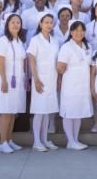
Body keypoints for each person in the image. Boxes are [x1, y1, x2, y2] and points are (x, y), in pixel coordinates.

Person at [56, 20, 93, 150]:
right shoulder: (66, 47)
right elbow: (60, 68)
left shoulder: (87, 46)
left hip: (83, 84)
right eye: (76, 30)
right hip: (70, 84)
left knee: (78, 112)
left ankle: (75, 140)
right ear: (71, 32)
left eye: (81, 30)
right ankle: (70, 141)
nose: (79, 33)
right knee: (69, 112)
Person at [0, 14, 27, 153]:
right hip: (6, 80)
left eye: (18, 22)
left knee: (13, 112)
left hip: (18, 81)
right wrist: (3, 80)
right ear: (7, 24)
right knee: (6, 111)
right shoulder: (2, 41)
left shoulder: (20, 41)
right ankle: (2, 142)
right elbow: (0, 61)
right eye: (12, 22)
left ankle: (9, 140)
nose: (15, 25)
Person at [27, 11, 60, 152]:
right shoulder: (35, 40)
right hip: (40, 79)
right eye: (46, 22)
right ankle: (36, 141)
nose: (48, 25)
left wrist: (58, 79)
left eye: (50, 22)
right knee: (39, 111)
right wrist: (36, 79)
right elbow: (31, 59)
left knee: (47, 111)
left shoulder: (55, 40)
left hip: (52, 78)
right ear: (40, 24)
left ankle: (45, 139)